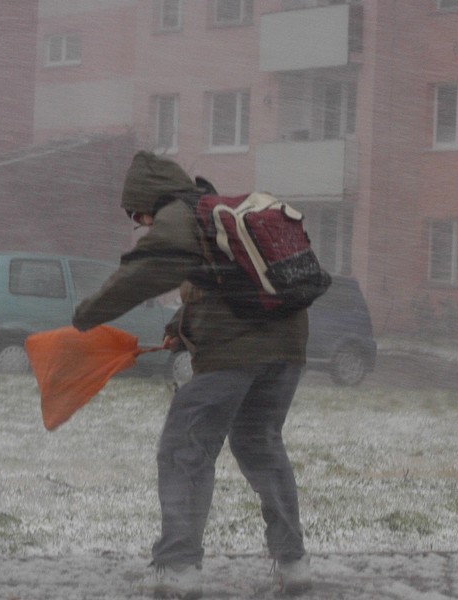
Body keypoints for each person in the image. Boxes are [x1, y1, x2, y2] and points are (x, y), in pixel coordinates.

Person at [72, 151, 313, 598]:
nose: (141, 222)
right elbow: (223, 291)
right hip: (288, 346)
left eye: (137, 212)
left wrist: (84, 316)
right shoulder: (218, 220)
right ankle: (294, 561)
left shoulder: (178, 218)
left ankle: (178, 568)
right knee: (259, 443)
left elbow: (141, 274)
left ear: (151, 199)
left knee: (186, 448)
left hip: (235, 352)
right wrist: (179, 331)